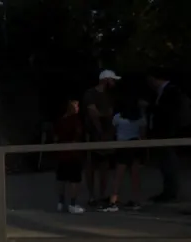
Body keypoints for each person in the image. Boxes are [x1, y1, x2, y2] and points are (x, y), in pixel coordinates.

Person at [99, 96, 147, 212]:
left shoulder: (118, 117)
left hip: (122, 146)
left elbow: (113, 131)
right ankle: (136, 201)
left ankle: (113, 201)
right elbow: (143, 134)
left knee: (118, 176)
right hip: (135, 146)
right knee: (135, 176)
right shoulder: (140, 118)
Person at [146, 67, 186, 203]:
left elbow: (170, 111)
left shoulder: (172, 91)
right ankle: (168, 191)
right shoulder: (162, 92)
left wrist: (150, 107)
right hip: (164, 132)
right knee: (165, 162)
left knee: (168, 162)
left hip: (168, 132)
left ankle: (171, 192)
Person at [82, 70, 120, 207]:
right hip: (93, 135)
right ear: (105, 80)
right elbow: (93, 114)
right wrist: (100, 131)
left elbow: (109, 113)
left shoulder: (109, 95)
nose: (114, 83)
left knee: (104, 165)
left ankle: (102, 195)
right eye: (112, 80)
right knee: (91, 165)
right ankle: (92, 196)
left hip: (107, 134)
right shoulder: (90, 93)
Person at [54, 99, 86, 214]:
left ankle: (61, 203)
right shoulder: (75, 120)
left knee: (61, 179)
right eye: (76, 107)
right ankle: (72, 204)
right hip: (73, 154)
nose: (78, 109)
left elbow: (56, 136)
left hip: (62, 153)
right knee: (74, 180)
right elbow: (78, 134)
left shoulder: (61, 120)